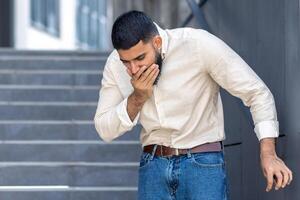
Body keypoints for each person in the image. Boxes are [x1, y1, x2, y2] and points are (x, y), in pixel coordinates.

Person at [94, 10, 293, 199]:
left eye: (140, 58)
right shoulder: (114, 64)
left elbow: (256, 92)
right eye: (126, 62)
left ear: (157, 42)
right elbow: (105, 128)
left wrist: (268, 153)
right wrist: (136, 99)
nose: (134, 69)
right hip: (152, 166)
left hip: (202, 165)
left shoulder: (197, 44)